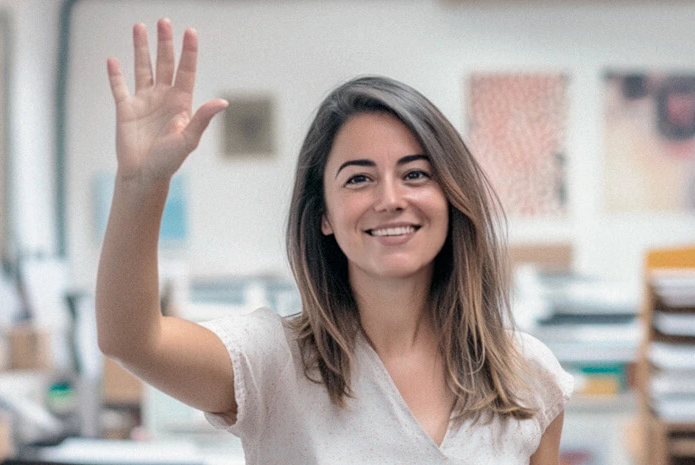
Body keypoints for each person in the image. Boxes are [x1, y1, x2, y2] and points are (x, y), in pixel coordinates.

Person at [96, 18, 572, 464]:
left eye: (415, 173)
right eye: (359, 179)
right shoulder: (273, 363)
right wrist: (142, 185)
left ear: (451, 195)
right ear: (322, 214)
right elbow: (132, 340)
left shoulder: (527, 375)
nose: (390, 198)